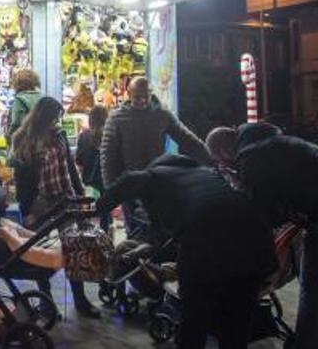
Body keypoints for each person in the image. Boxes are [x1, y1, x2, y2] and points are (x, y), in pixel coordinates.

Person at [96, 154, 277, 349]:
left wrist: (98, 207)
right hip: (256, 241)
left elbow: (130, 179)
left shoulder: (155, 175)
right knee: (236, 324)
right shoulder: (206, 174)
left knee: (194, 322)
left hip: (206, 241)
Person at [210, 122, 318, 349]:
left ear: (224, 152)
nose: (222, 165)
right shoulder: (268, 141)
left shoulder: (252, 159)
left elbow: (262, 218)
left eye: (218, 159)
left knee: (312, 287)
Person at [11, 96, 100, 318]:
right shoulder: (25, 140)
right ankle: (46, 302)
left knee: (73, 246)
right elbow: (22, 178)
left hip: (64, 196)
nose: (57, 122)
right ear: (43, 118)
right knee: (39, 251)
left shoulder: (58, 135)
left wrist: (80, 195)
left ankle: (80, 299)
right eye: (54, 118)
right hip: (39, 200)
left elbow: (69, 166)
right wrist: (27, 209)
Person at [100, 77, 212, 236]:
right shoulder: (116, 118)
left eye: (146, 96)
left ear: (151, 93)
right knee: (135, 230)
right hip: (129, 182)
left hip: (157, 180)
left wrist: (211, 160)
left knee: (158, 229)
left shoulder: (162, 115)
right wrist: (112, 188)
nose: (143, 101)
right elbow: (108, 154)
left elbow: (187, 138)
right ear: (129, 94)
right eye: (138, 96)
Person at [75, 105, 110, 232]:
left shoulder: (84, 136)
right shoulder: (110, 134)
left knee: (87, 212)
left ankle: (88, 237)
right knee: (106, 211)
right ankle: (105, 235)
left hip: (89, 181)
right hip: (106, 179)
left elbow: (79, 161)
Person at [5, 69, 42, 146]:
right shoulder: (41, 98)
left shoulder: (19, 100)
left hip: (24, 144)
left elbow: (16, 123)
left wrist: (8, 137)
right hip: (40, 142)